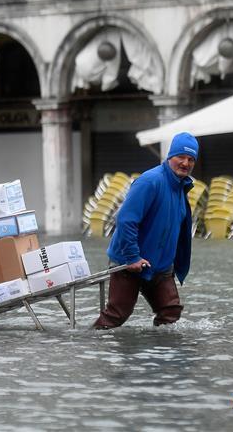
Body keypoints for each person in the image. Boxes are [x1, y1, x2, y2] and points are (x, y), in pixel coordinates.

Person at [93, 132, 198, 330]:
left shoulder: (181, 187)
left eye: (191, 159)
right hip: (129, 260)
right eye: (181, 157)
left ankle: (158, 354)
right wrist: (132, 257)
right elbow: (125, 220)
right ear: (169, 157)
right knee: (116, 316)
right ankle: (89, 345)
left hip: (160, 266)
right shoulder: (150, 181)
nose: (185, 163)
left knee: (170, 312)